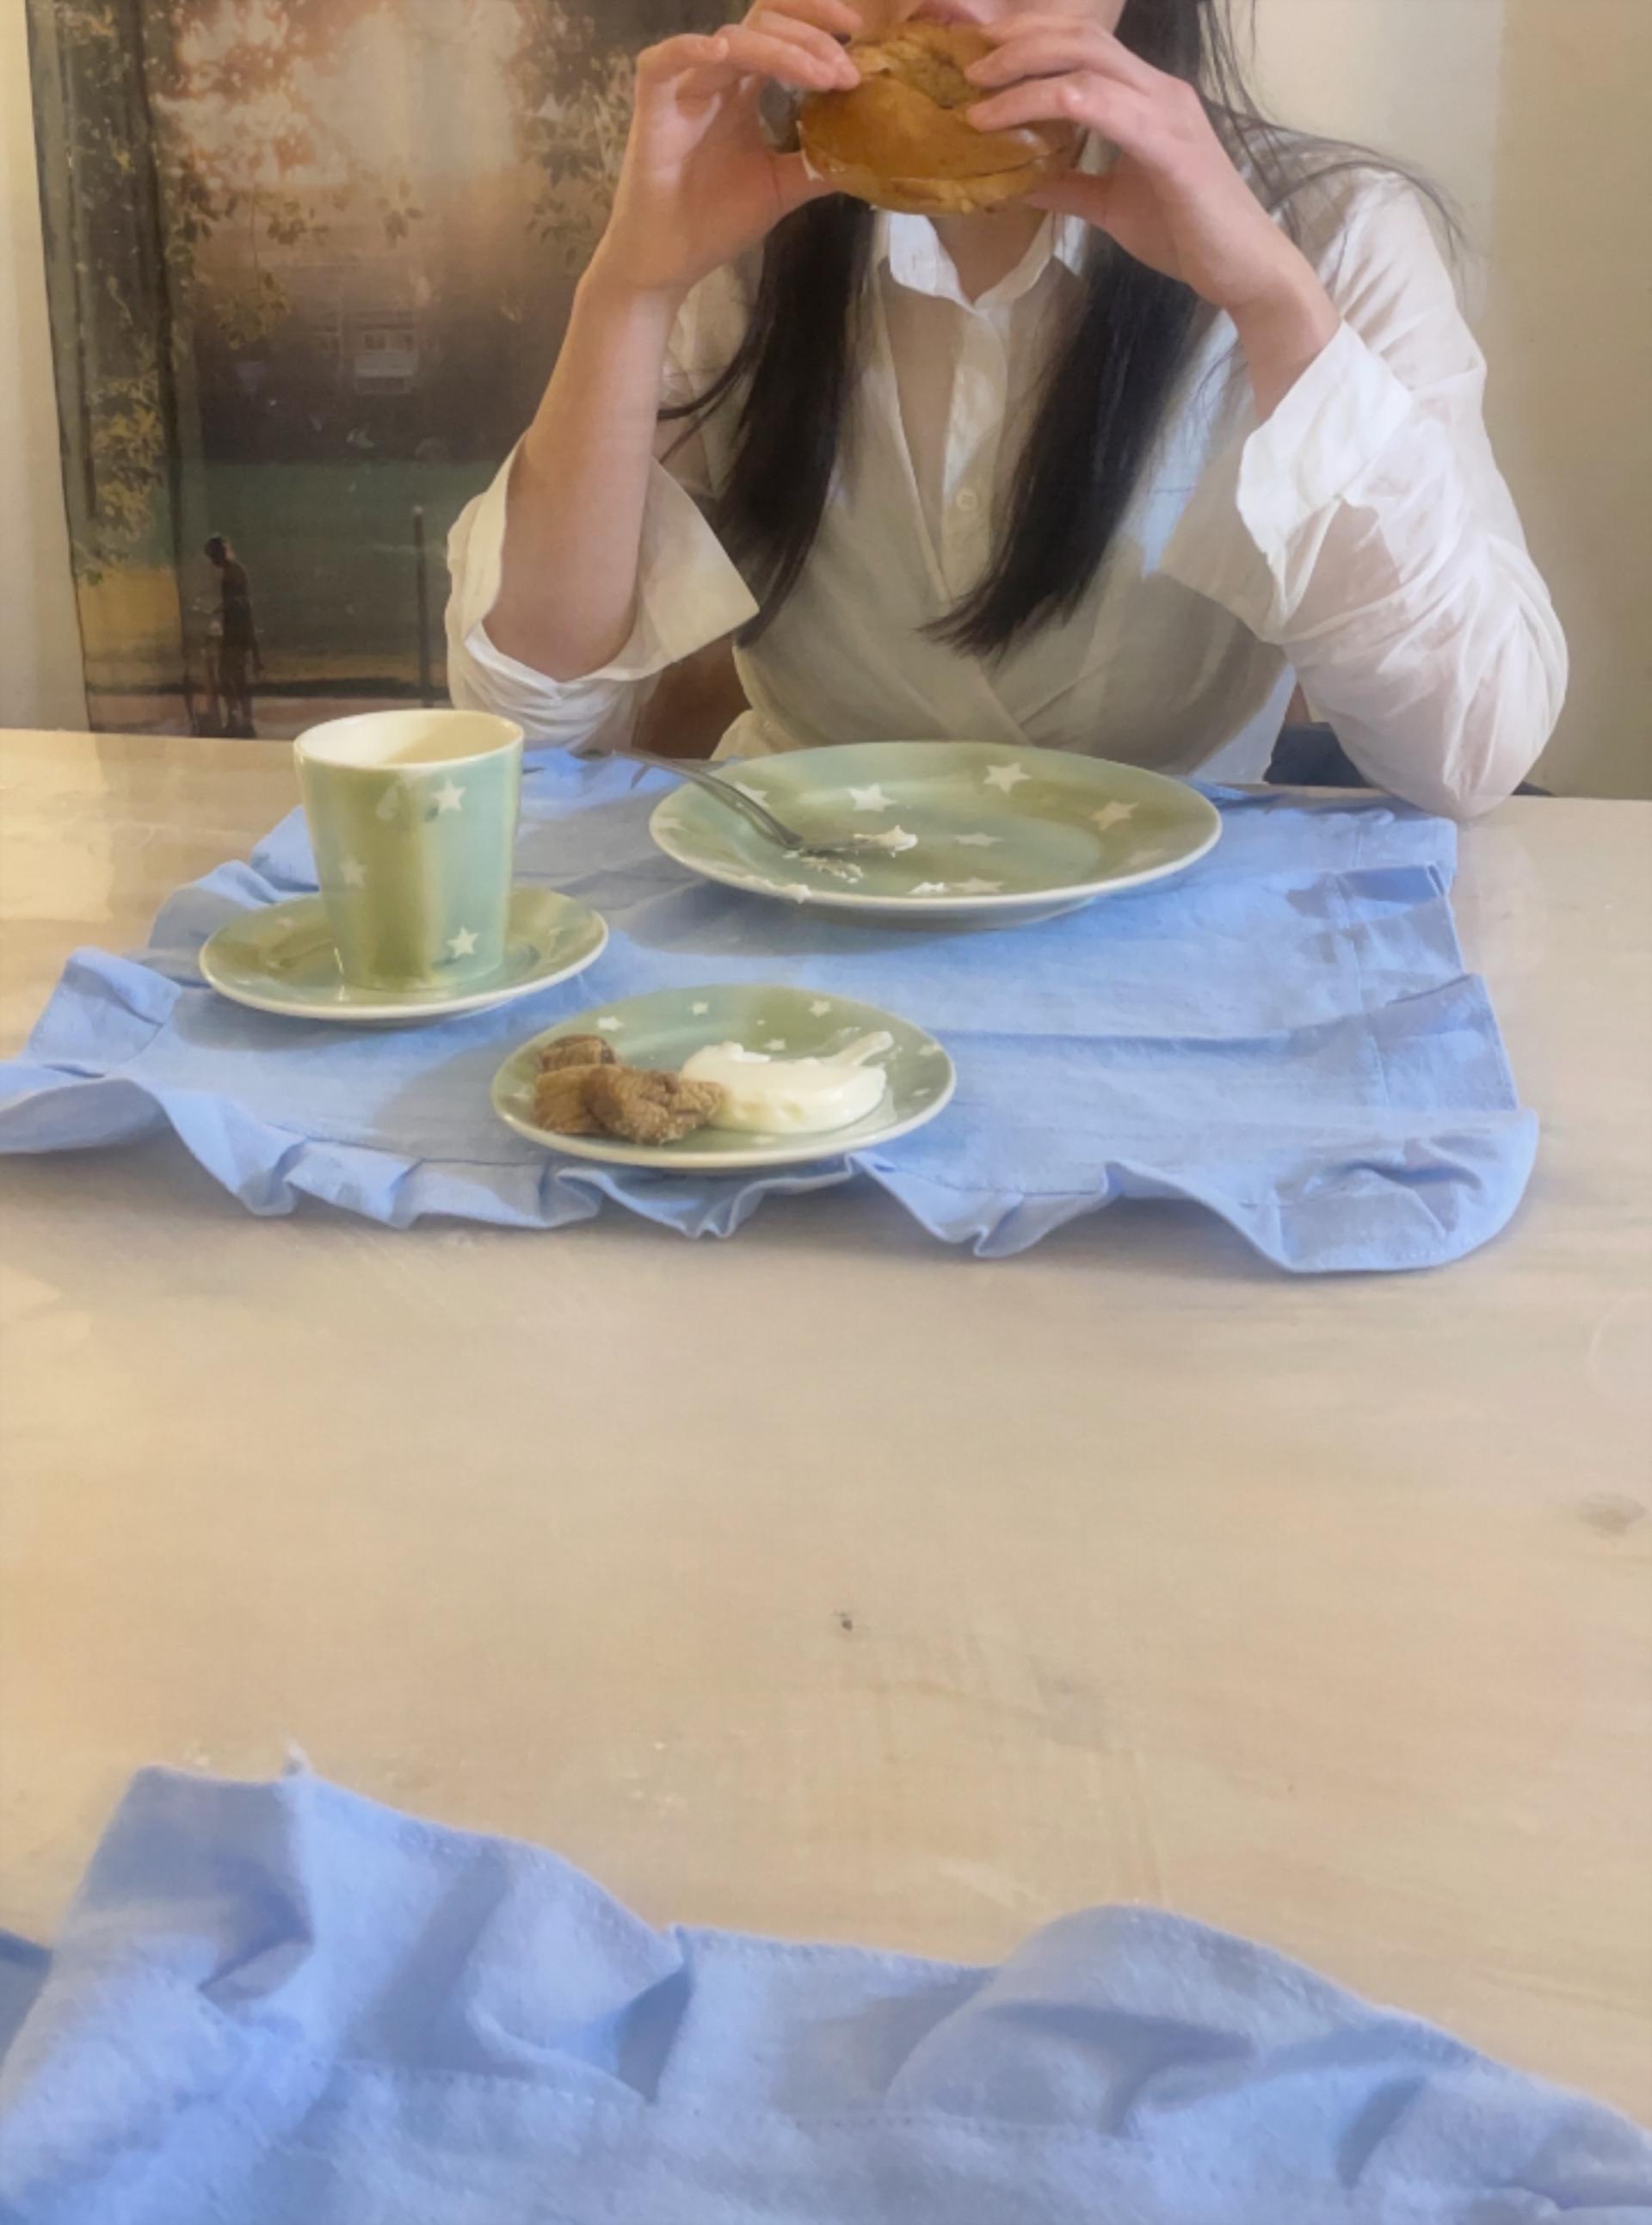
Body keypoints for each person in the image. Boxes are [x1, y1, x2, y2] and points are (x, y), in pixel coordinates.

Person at [446, 0, 1565, 817]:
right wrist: (632, 291)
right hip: (795, 910)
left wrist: (1274, 307)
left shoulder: (1336, 237)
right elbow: (525, 732)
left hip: (1174, 938)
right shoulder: (733, 225)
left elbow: (1467, 754)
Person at [204, 535, 262, 738]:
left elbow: (238, 603)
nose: (212, 561)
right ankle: (241, 718)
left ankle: (239, 719)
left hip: (236, 634)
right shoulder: (233, 571)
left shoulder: (232, 574)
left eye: (212, 556)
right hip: (237, 633)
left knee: (231, 677)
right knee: (234, 678)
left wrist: (219, 609)